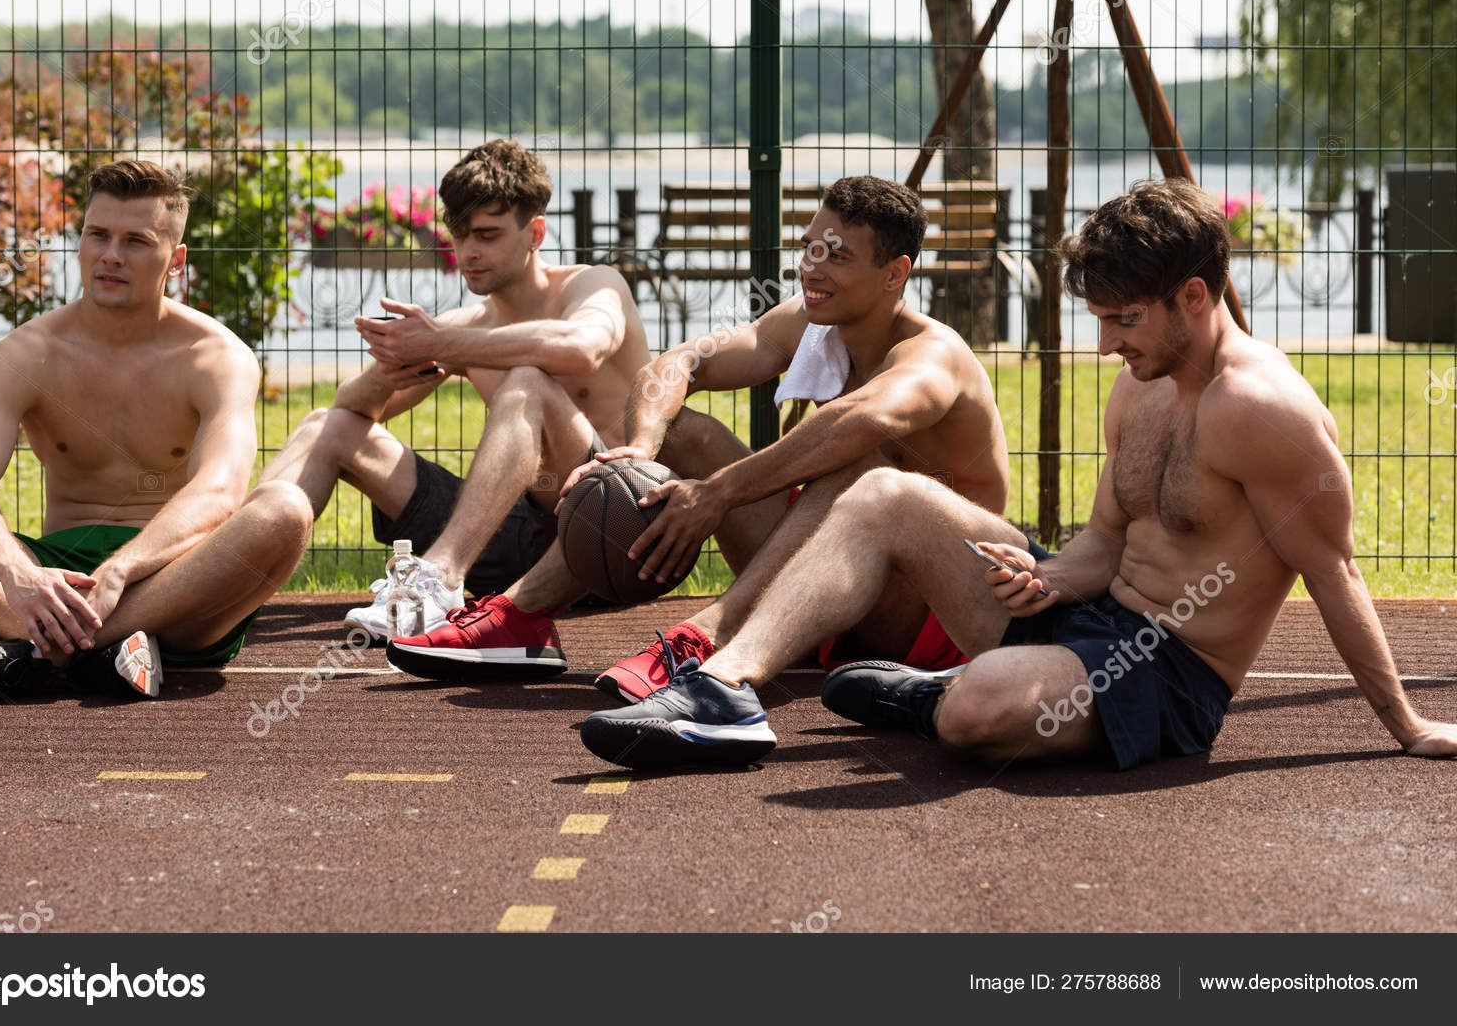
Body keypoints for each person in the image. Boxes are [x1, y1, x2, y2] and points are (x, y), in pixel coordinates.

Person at [579, 178, 1457, 769]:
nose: (1107, 345)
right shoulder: (1141, 386)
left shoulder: (1267, 413)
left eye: (1123, 320)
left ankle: (944, 696)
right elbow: (1104, 540)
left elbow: (1335, 572)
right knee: (883, 491)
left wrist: (1407, 724)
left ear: (1194, 296)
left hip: (1166, 671)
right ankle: (727, 689)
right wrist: (1049, 577)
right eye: (1100, 321)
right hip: (1083, 614)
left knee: (978, 713)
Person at [401, 174, 1011, 696]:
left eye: (838, 257)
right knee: (682, 432)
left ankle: (706, 637)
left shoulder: (933, 356)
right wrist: (639, 455)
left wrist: (717, 493)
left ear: (895, 274)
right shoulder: (809, 321)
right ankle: (522, 616)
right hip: (828, 587)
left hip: (928, 615)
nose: (811, 269)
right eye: (809, 249)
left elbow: (863, 420)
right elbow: (680, 363)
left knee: (861, 466)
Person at [0, 159, 314, 705]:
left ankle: (35, 652)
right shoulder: (26, 354)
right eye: (98, 235)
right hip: (49, 579)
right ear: (80, 243)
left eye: (137, 241)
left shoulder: (216, 357)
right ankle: (97, 647)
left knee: (284, 510)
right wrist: (17, 573)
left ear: (176, 261)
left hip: (173, 583)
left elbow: (219, 491)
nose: (111, 255)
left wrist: (122, 570)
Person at [257, 139, 651, 675]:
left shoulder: (593, 285)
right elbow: (352, 411)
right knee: (326, 424)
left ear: (535, 233)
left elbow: (584, 348)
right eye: (459, 235)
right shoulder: (467, 328)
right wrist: (390, 368)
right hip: (510, 543)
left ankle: (439, 580)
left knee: (527, 380)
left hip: (602, 539)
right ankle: (224, 581)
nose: (468, 253)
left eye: (487, 235)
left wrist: (443, 343)